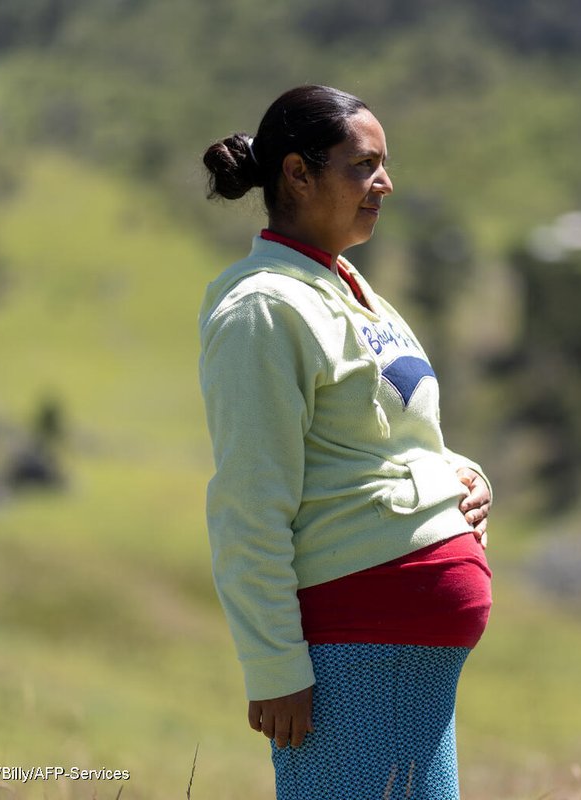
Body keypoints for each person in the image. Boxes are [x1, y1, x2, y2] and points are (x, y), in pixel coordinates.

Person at [197, 85, 493, 799]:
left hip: (408, 660)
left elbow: (387, 438)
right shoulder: (265, 308)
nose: (385, 183)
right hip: (354, 649)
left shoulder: (349, 287)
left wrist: (464, 477)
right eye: (364, 165)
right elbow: (250, 499)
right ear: (298, 174)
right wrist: (275, 668)